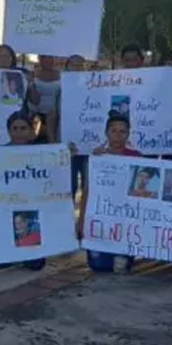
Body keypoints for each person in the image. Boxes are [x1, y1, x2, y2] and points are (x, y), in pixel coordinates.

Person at [78, 113, 141, 273]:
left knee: (121, 267)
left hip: (125, 219)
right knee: (99, 266)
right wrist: (82, 221)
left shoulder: (137, 158)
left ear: (128, 134)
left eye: (122, 131)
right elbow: (87, 190)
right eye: (114, 131)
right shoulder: (97, 157)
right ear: (106, 132)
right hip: (100, 217)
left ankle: (124, 255)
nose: (118, 136)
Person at [0, 111, 48, 271]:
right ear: (8, 131)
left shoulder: (44, 154)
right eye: (15, 128)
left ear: (30, 130)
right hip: (5, 209)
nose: (19, 133)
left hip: (30, 212)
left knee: (35, 265)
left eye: (23, 128)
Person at [61, 54, 88, 199]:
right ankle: (68, 220)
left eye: (80, 65)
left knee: (88, 186)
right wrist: (55, 141)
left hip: (90, 148)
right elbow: (54, 115)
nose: (77, 68)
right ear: (67, 67)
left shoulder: (96, 89)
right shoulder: (62, 89)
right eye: (74, 64)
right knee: (69, 186)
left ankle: (84, 219)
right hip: (68, 146)